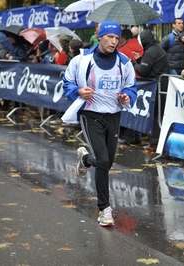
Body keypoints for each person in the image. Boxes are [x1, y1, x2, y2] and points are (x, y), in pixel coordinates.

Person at [62, 20, 137, 227]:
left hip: (113, 116)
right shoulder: (82, 60)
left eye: (117, 38)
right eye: (110, 37)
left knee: (107, 162)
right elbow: (67, 82)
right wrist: (78, 91)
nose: (114, 42)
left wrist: (127, 98)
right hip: (90, 114)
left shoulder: (124, 62)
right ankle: (104, 209)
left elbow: (132, 87)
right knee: (103, 161)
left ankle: (85, 159)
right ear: (100, 37)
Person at [131, 29, 168, 149]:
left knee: (155, 116)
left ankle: (155, 143)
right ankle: (158, 142)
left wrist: (133, 63)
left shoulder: (150, 52)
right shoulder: (157, 49)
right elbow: (151, 66)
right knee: (160, 115)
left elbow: (143, 71)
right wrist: (139, 60)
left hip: (155, 86)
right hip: (162, 85)